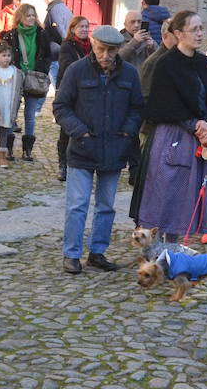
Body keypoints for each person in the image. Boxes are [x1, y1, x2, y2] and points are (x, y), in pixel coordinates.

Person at [53, 25, 142, 274]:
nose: (106, 55)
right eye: (101, 49)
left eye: (111, 51)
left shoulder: (129, 74)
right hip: (82, 148)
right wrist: (79, 131)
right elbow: (61, 107)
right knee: (77, 204)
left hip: (114, 148)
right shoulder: (77, 71)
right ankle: (71, 254)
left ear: (118, 49)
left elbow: (137, 107)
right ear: (93, 45)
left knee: (106, 205)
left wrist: (127, 132)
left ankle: (97, 252)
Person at [129, 11, 207, 239]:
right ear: (178, 33)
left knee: (184, 203)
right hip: (169, 137)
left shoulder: (205, 64)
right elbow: (161, 104)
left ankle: (173, 253)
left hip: (198, 139)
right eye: (194, 29)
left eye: (201, 28)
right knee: (162, 197)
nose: (200, 34)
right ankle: (153, 255)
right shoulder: (165, 64)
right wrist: (195, 123)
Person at [0, 3, 52, 162]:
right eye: (28, 15)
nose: (31, 18)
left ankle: (27, 150)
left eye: (33, 15)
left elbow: (48, 55)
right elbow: (4, 55)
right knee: (11, 113)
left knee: (30, 114)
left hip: (34, 77)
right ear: (20, 17)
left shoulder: (42, 34)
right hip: (15, 77)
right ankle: (8, 148)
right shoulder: (11, 35)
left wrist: (42, 71)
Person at [54, 16, 92, 182]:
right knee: (66, 130)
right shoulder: (67, 45)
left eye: (86, 26)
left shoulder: (92, 45)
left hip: (88, 92)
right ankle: (63, 164)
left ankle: (82, 161)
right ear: (73, 29)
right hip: (70, 90)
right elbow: (66, 66)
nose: (84, 29)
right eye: (81, 27)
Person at [42, 0, 72, 89]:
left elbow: (61, 33)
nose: (44, 0)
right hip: (62, 54)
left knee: (59, 87)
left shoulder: (54, 10)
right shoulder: (64, 8)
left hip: (55, 55)